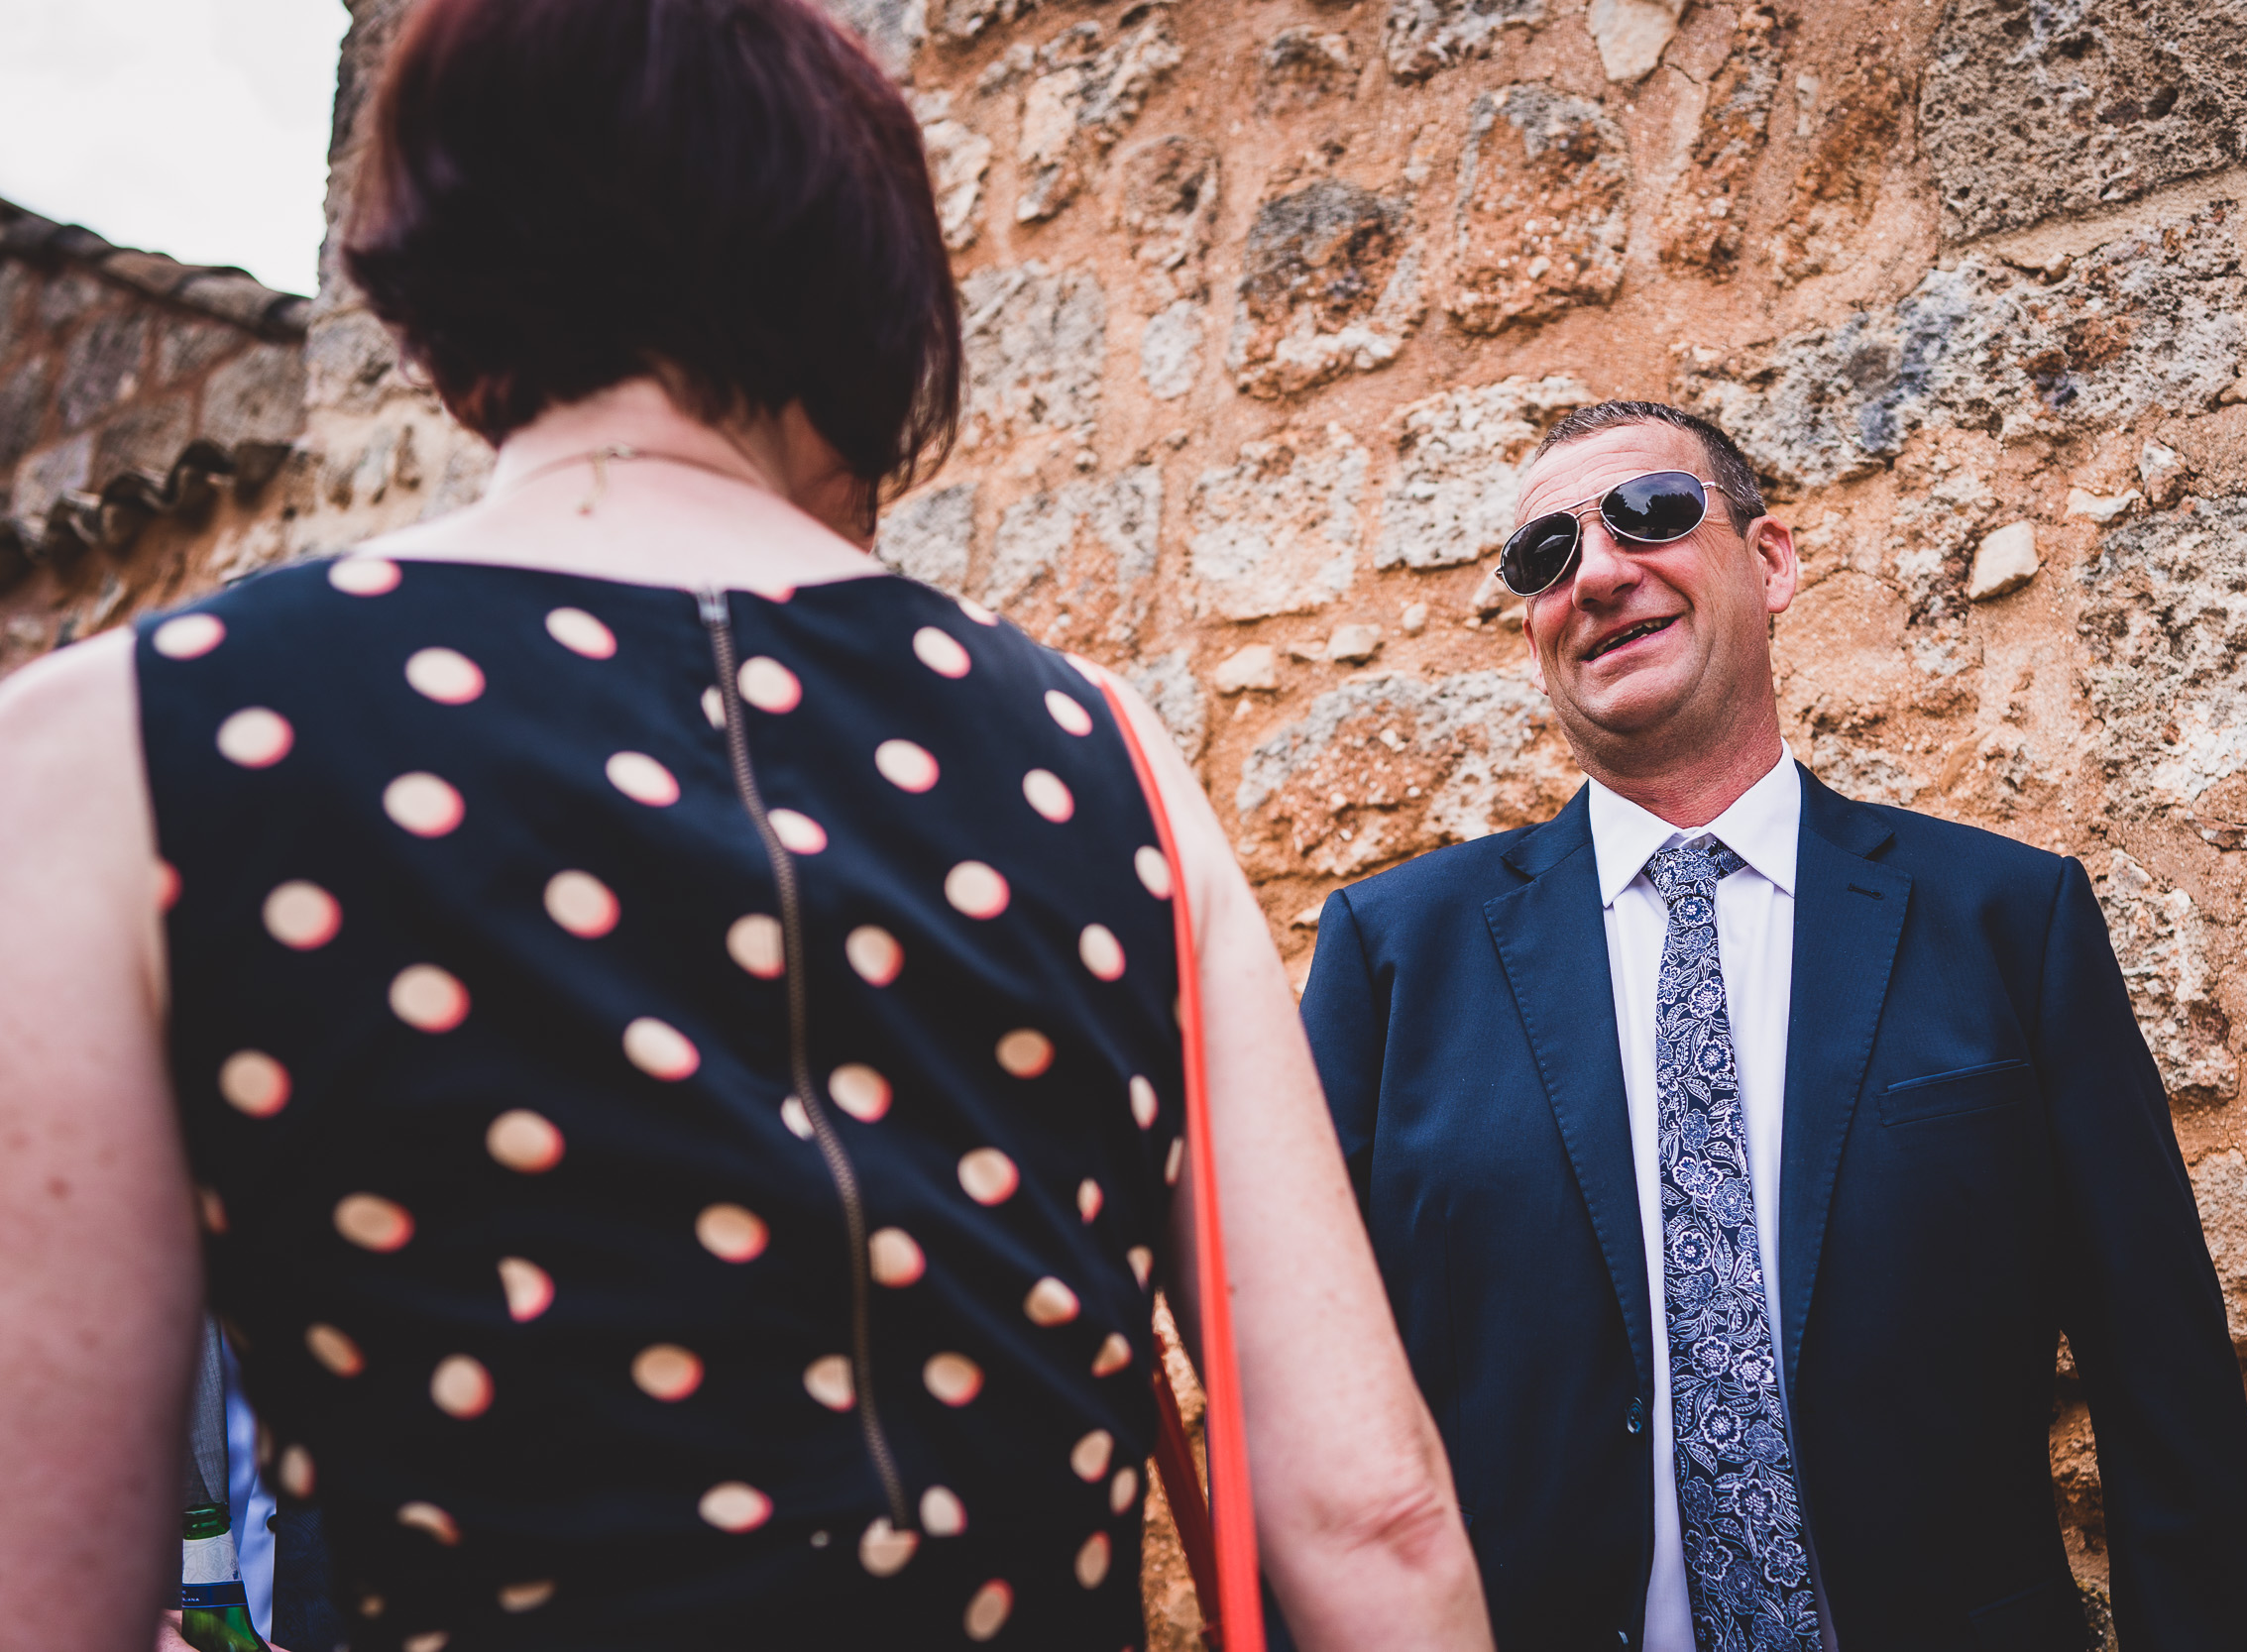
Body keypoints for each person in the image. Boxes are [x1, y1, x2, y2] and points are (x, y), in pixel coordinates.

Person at [0, 2, 1491, 1647]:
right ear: (862, 288)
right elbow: (1372, 1519)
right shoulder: (1109, 762)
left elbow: (45, 1583)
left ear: (440, 265)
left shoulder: (118, 744)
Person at [1299, 400, 2247, 1652]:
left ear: (1769, 563)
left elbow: (2166, 1392)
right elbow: (1307, 1410)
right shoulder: (1394, 956)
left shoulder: (2005, 919)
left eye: (1647, 513)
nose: (1596, 570)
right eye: (1543, 554)